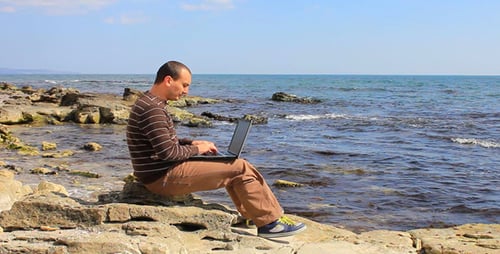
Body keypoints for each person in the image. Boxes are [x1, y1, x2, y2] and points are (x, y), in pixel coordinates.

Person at [126, 60, 306, 238]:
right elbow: (168, 153)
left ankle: (255, 215)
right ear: (168, 80)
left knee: (234, 164)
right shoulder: (152, 109)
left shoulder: (149, 102)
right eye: (184, 85)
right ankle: (270, 224)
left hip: (157, 173)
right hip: (162, 177)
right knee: (240, 168)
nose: (186, 91)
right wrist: (198, 150)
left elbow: (162, 142)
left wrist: (192, 143)